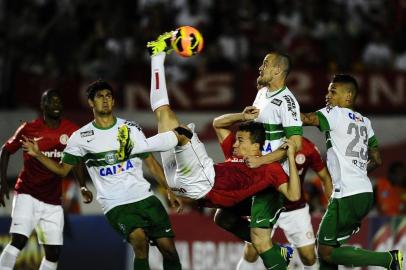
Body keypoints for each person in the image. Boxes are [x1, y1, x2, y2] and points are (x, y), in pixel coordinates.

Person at [146, 33, 300, 270]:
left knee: (260, 241)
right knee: (224, 218)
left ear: (279, 71)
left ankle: (280, 258)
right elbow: (221, 124)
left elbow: (294, 144)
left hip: (270, 177)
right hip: (247, 168)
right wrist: (242, 119)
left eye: (266, 64)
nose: (260, 67)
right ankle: (157, 56)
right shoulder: (261, 94)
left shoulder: (288, 103)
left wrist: (262, 161)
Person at [21, 80, 183, 270]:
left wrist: (168, 189)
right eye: (99, 97)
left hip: (145, 198)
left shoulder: (131, 128)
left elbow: (151, 164)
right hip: (115, 204)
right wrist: (38, 154)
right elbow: (63, 169)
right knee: (140, 242)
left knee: (169, 250)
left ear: (113, 101)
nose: (105, 100)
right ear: (91, 103)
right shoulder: (80, 137)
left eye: (108, 96)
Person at [301, 74, 403, 270]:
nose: (327, 95)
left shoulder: (334, 113)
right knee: (329, 250)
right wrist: (358, 170)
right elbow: (377, 159)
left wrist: (282, 110)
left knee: (324, 250)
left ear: (348, 96)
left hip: (346, 194)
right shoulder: (365, 122)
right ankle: (388, 260)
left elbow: (306, 119)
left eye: (333, 91)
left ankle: (388, 260)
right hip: (363, 191)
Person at [215, 137, 333, 270]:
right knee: (252, 252)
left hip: (295, 208)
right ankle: (279, 252)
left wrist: (332, 209)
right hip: (266, 204)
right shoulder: (262, 143)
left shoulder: (308, 147)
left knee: (309, 256)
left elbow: (325, 177)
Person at [0, 89, 78, 270]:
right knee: (19, 240)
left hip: (53, 199)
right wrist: (2, 181)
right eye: (52, 101)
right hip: (27, 193)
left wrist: (82, 185)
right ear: (43, 105)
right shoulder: (29, 128)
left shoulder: (71, 130)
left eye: (59, 101)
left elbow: (77, 159)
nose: (56, 105)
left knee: (53, 253)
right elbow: (6, 150)